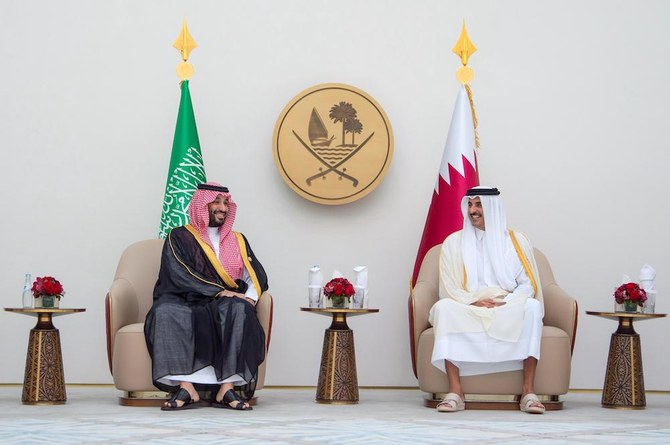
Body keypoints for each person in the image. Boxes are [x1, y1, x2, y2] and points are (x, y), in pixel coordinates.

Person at [144, 182, 268, 411]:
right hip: (185, 296)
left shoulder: (237, 239)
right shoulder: (179, 236)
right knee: (166, 311)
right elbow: (177, 272)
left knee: (239, 310)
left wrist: (249, 297)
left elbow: (252, 274)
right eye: (217, 202)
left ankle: (226, 389)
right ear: (202, 205)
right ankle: (186, 387)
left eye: (226, 203)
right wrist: (218, 290)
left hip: (224, 301)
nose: (223, 208)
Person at [428, 186, 545, 414]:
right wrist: (471, 301)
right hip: (468, 303)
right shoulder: (454, 242)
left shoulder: (516, 241)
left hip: (506, 303)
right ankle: (455, 392)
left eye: (479, 204)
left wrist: (509, 302)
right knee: (443, 308)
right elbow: (449, 286)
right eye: (470, 204)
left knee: (532, 307)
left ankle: (528, 392)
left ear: (493, 207)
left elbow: (528, 283)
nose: (473, 210)